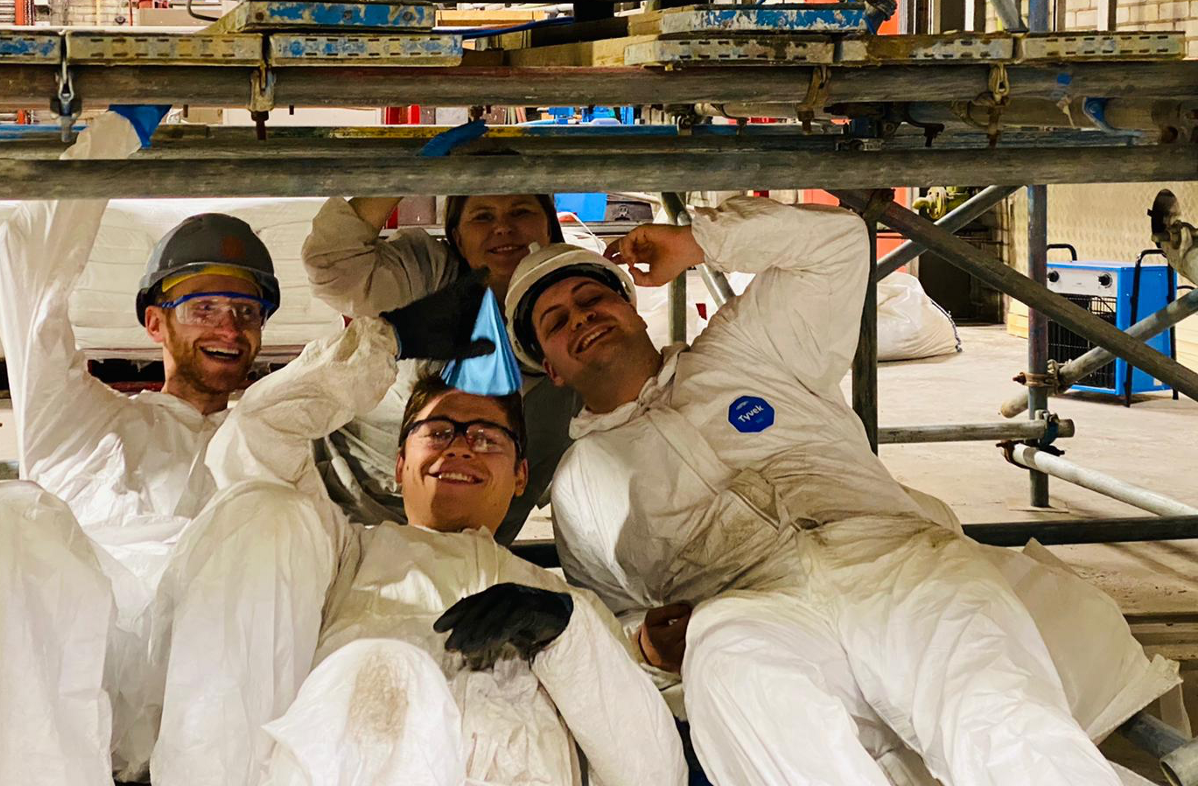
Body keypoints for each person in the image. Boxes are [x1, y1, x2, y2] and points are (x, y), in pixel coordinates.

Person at [505, 196, 1125, 786]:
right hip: (751, 608)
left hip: (893, 562)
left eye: (592, 298)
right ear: (551, 368)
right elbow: (608, 615)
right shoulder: (579, 485)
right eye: (556, 322)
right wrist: (645, 639)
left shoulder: (748, 348)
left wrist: (697, 242)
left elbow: (839, 243)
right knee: (726, 662)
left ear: (634, 309)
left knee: (994, 712)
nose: (581, 317)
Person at [0, 107, 321, 786]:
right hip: (83, 677)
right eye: (204, 308)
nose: (230, 328)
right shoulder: (82, 422)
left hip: (218, 701)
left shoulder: (276, 441)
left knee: (277, 514)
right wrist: (120, 129)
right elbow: (27, 266)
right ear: (154, 323)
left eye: (247, 312)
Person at [191, 286, 686, 786]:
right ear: (399, 466)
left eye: (486, 438)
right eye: (439, 432)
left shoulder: (566, 607)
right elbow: (258, 433)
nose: (461, 449)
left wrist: (566, 636)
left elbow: (653, 773)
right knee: (271, 520)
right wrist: (386, 341)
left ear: (520, 475)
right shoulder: (339, 558)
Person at [302, 189, 581, 541]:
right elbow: (332, 264)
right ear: (457, 237)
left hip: (482, 532)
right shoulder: (431, 276)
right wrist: (406, 173)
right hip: (350, 509)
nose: (502, 227)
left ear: (549, 228)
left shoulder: (580, 294)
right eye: (482, 216)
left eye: (521, 211)